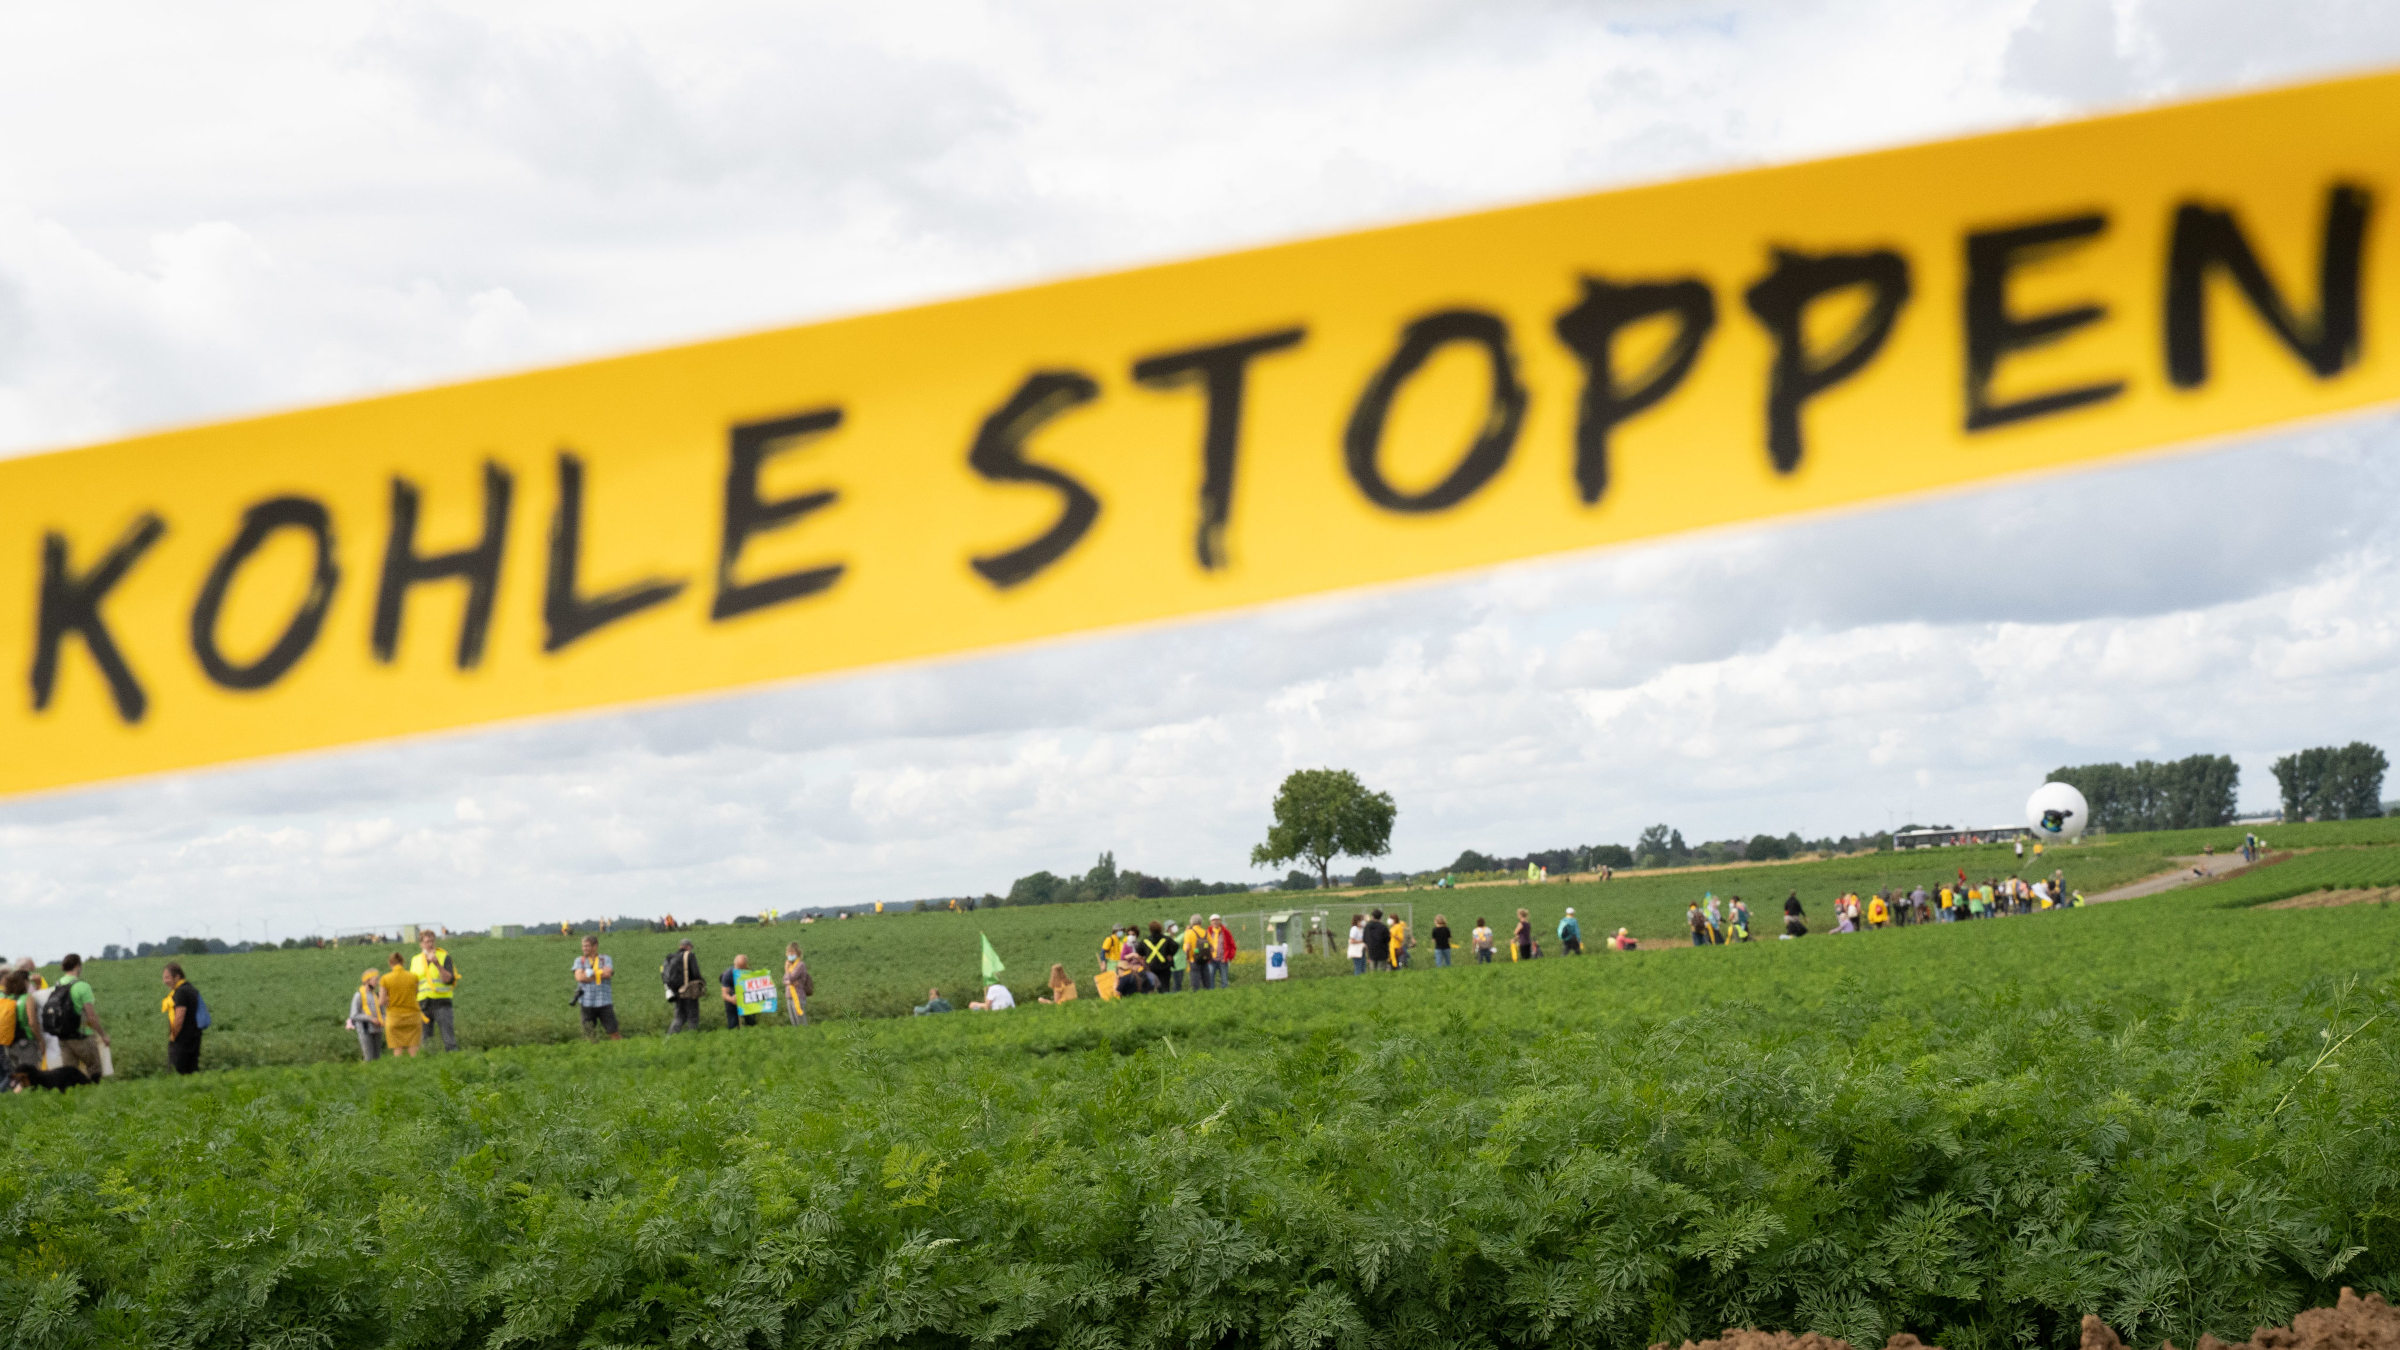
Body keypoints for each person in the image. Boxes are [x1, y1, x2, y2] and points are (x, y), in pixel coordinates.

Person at [48, 953, 106, 1082]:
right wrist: (103, 1035)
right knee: (94, 1068)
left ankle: (73, 1099)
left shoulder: (58, 985)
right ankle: (96, 1097)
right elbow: (91, 1016)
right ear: (78, 966)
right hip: (82, 1035)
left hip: (63, 1036)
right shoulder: (82, 986)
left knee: (69, 1074)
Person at [409, 930, 460, 1053]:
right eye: (426, 942)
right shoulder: (415, 960)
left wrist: (437, 964)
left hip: (442, 1003)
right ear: (421, 944)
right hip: (423, 1004)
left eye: (432, 941)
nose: (430, 944)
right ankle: (429, 1063)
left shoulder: (444, 957)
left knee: (449, 1038)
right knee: (425, 1040)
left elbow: (448, 979)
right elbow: (413, 983)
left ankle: (454, 1059)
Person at [573, 936, 620, 1041]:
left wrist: (589, 974)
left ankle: (623, 1051)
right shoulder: (579, 960)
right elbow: (579, 977)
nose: (584, 948)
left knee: (614, 1033)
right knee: (589, 1035)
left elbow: (608, 973)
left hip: (604, 1001)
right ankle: (594, 1053)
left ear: (595, 946)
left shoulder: (605, 959)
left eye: (587, 946)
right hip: (586, 1003)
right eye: (583, 946)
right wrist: (599, 972)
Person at [161, 963, 203, 1074]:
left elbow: (179, 1017)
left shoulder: (181, 992)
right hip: (195, 1036)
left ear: (177, 977)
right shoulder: (192, 989)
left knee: (176, 1073)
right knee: (192, 1071)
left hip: (182, 1040)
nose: (164, 981)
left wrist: (173, 1037)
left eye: (167, 977)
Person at [380, 953, 424, 1057]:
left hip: (394, 1018)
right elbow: (416, 994)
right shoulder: (413, 977)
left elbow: (381, 1001)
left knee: (397, 1049)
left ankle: (399, 1069)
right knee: (414, 1049)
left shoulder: (385, 979)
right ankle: (416, 1069)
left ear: (390, 963)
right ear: (402, 962)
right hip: (413, 1017)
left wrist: (389, 999)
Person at [663, 939, 704, 1034]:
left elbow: (665, 975)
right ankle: (691, 1038)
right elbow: (695, 973)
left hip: (675, 992)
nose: (691, 949)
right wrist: (702, 983)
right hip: (689, 991)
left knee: (679, 1017)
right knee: (693, 1017)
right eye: (690, 947)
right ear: (687, 946)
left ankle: (670, 1038)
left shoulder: (670, 958)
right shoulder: (689, 956)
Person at [0, 969, 35, 1075]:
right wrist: (40, 1040)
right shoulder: (26, 998)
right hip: (24, 1041)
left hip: (8, 1042)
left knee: (15, 1074)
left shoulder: (6, 999)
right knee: (30, 1074)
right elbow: (32, 1022)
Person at [346, 969, 385, 1061]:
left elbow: (382, 1012)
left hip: (378, 1029)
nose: (377, 982)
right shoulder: (358, 995)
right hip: (365, 1030)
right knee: (368, 1058)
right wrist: (371, 1019)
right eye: (375, 980)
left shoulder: (377, 995)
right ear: (367, 981)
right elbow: (354, 1015)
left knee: (377, 1057)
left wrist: (383, 1019)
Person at [720, 954, 759, 1028]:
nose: (741, 971)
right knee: (733, 1024)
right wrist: (731, 999)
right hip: (732, 999)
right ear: (735, 965)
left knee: (751, 1022)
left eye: (743, 968)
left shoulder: (751, 973)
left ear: (746, 965)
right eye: (739, 968)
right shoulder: (727, 974)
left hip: (748, 1000)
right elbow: (724, 994)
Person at [782, 943, 813, 1026]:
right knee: (794, 1022)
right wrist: (789, 981)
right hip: (789, 996)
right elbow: (784, 980)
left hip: (798, 996)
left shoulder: (800, 965)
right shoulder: (790, 966)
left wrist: (786, 970)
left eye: (792, 953)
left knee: (800, 1021)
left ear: (797, 954)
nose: (790, 955)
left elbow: (791, 977)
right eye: (788, 953)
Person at [1141, 922, 1175, 992]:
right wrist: (1170, 954)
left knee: (1150, 989)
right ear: (1160, 929)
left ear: (1150, 930)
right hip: (1164, 967)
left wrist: (1145, 955)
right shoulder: (1166, 939)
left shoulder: (1145, 940)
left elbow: (1139, 950)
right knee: (1165, 988)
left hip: (1150, 967)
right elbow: (1175, 946)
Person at [1184, 914, 1213, 991]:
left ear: (1191, 922)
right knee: (1206, 980)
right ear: (1201, 922)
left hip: (1193, 959)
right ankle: (1208, 993)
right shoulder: (1206, 932)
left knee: (1195, 980)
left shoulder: (1188, 932)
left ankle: (1196, 994)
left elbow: (1187, 947)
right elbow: (1212, 947)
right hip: (1205, 959)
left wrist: (1187, 957)